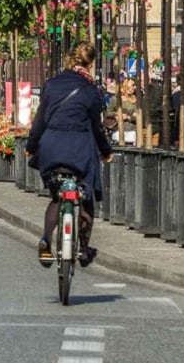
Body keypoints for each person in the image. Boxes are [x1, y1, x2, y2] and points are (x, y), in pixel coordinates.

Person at [27, 43, 112, 268]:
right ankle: (83, 248)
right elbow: (96, 127)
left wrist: (32, 145)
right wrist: (106, 152)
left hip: (52, 146)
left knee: (57, 196)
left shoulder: (52, 85)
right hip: (79, 149)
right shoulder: (91, 90)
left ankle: (46, 239)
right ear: (90, 63)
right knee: (86, 197)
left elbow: (40, 121)